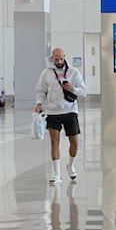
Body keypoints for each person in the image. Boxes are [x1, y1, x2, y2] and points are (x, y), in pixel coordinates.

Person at [34, 47, 86, 183]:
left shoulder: (74, 73)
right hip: (52, 112)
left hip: (70, 111)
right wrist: (39, 103)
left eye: (61, 59)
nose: (58, 61)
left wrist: (72, 89)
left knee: (74, 141)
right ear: (52, 58)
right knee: (54, 141)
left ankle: (71, 164)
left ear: (64, 57)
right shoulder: (46, 73)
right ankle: (56, 173)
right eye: (56, 59)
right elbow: (40, 91)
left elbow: (84, 91)